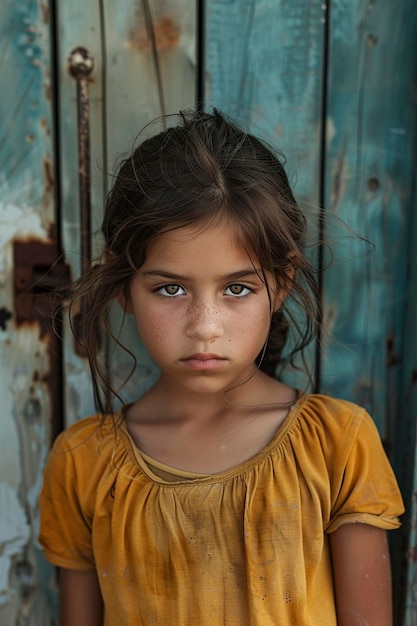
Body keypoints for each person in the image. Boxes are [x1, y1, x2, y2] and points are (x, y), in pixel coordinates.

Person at [39, 109, 404, 626]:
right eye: (171, 288)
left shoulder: (336, 446)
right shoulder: (84, 464)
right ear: (122, 286)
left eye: (237, 288)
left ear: (280, 283)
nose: (204, 327)